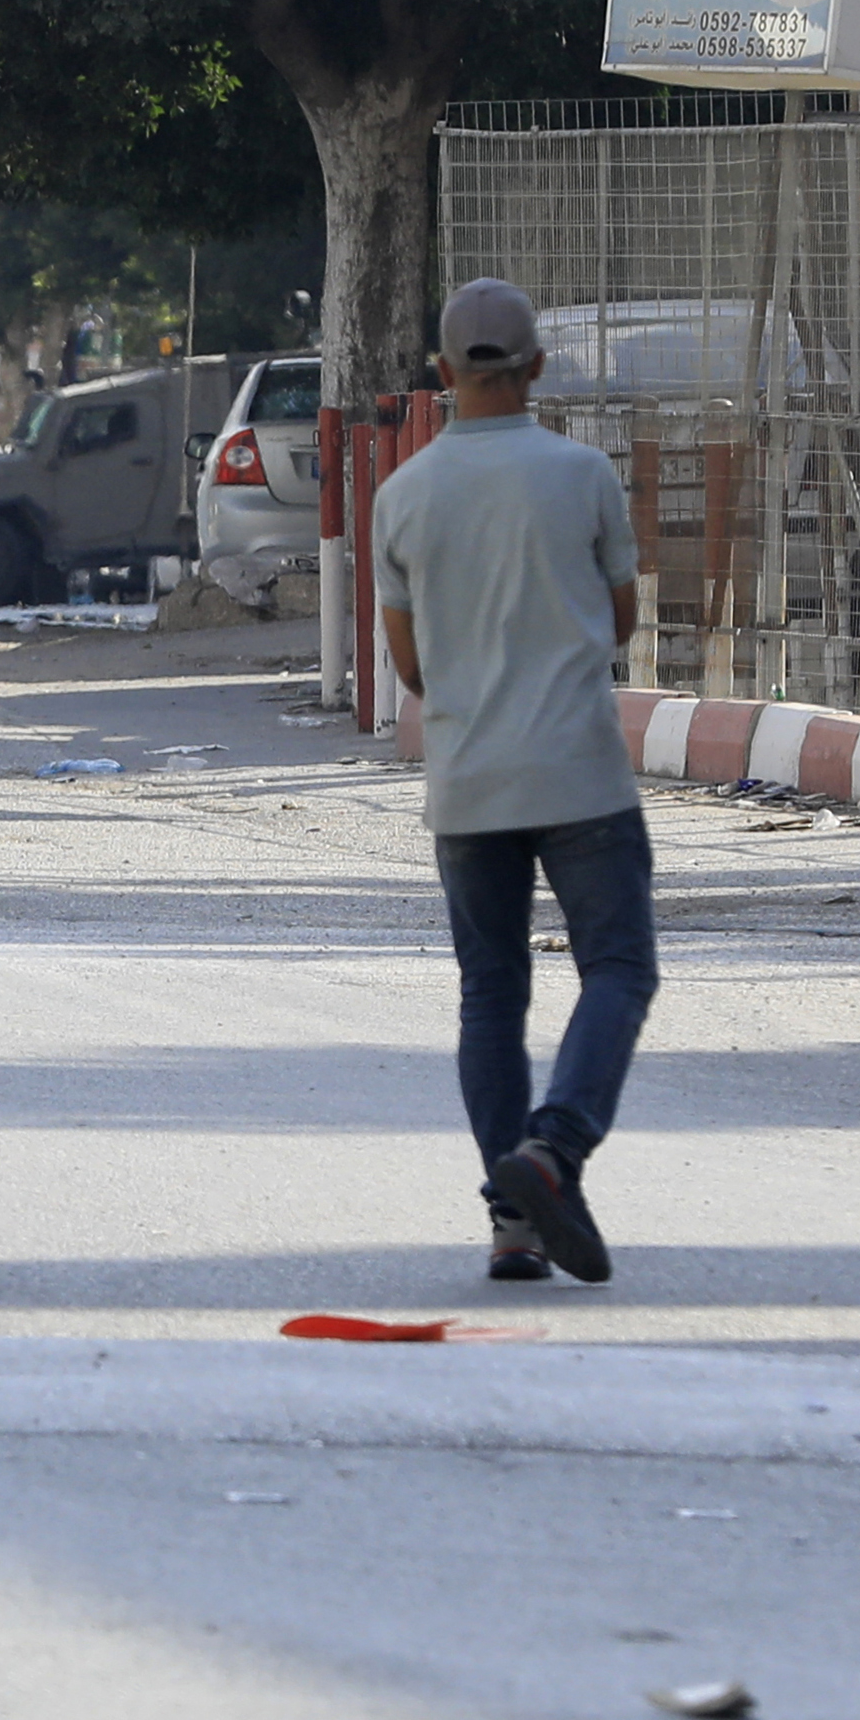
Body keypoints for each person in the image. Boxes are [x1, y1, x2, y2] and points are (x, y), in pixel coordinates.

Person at [370, 278, 655, 1285]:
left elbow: (410, 666)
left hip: (469, 778)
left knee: (491, 992)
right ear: (537, 367)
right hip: (580, 770)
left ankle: (512, 1225)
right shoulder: (583, 474)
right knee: (617, 968)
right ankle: (555, 1147)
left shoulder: (401, 495)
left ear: (441, 373)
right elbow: (618, 619)